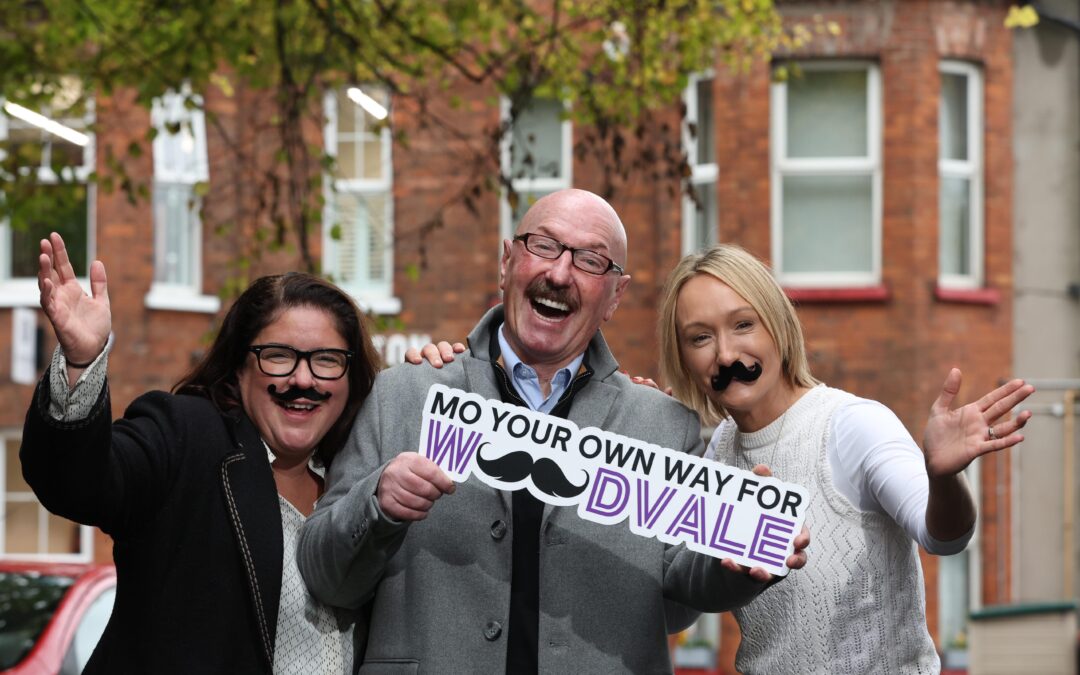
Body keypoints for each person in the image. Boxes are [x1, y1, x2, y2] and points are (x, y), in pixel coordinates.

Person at [298, 189, 808, 673]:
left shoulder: (663, 423)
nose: (560, 273)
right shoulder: (402, 394)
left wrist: (734, 561)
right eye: (543, 246)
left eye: (590, 260)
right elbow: (326, 576)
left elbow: (677, 600)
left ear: (614, 295)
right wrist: (378, 502)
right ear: (507, 263)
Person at [650, 244, 1033, 673]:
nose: (724, 354)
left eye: (743, 324)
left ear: (778, 325)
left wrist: (944, 478)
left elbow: (942, 536)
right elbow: (675, 608)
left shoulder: (852, 425)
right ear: (682, 357)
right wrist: (644, 444)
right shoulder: (717, 453)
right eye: (700, 337)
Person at [21, 232, 380, 674]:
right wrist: (81, 363)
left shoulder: (367, 476)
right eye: (279, 356)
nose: (303, 380)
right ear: (238, 367)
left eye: (326, 359)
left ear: (351, 374)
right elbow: (77, 483)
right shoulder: (187, 436)